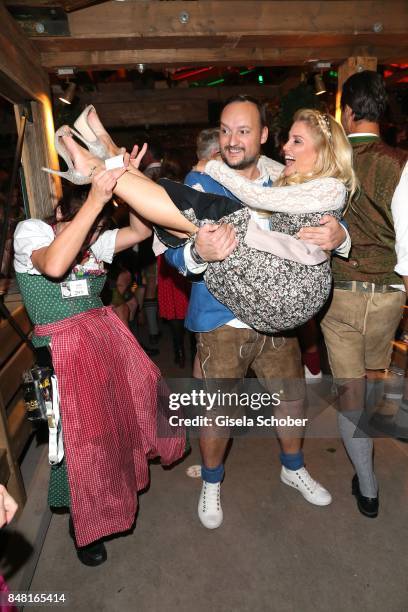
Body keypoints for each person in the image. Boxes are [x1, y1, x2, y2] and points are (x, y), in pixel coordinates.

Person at [44, 99, 356, 529]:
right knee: (218, 410)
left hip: (277, 318)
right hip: (222, 315)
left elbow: (329, 198)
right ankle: (212, 480)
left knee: (291, 399)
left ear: (263, 135)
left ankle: (294, 466)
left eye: (243, 131)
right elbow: (172, 251)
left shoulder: (282, 170)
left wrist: (341, 234)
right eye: (225, 131)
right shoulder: (202, 175)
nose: (232, 140)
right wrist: (197, 251)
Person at [13, 170, 185, 565]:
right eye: (82, 222)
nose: (88, 235)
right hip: (59, 354)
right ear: (60, 211)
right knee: (78, 443)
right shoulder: (32, 232)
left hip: (105, 344)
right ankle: (84, 522)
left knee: (122, 419)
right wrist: (93, 202)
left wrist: (126, 180)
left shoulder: (94, 240)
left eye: (95, 228)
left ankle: (116, 490)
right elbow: (55, 266)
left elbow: (140, 231)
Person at [301, 70, 407, 518]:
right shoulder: (402, 162)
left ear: (346, 111)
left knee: (349, 392)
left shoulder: (331, 165)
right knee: (374, 373)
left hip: (341, 293)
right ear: (381, 111)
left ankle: (367, 486)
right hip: (387, 294)